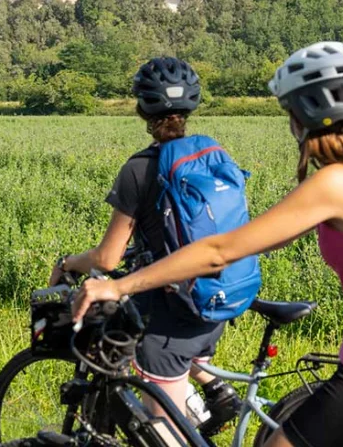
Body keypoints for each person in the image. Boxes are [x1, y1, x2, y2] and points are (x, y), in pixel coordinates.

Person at [72, 42, 343, 447]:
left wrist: (119, 285)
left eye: (289, 112)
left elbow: (219, 251)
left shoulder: (336, 182)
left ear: (303, 115)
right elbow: (257, 242)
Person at [49, 57, 241, 435]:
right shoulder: (214, 155)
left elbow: (107, 257)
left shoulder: (139, 169)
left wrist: (68, 263)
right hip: (218, 295)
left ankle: (181, 417)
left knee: (161, 429)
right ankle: (213, 390)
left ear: (141, 109)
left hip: (176, 311)